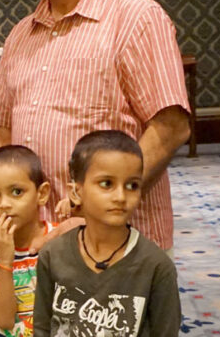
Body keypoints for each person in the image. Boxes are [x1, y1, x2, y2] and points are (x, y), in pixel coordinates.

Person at [0, 0, 191, 251]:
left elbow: (171, 128)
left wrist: (94, 214)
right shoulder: (19, 36)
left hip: (116, 242)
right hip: (39, 244)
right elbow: (4, 135)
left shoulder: (136, 17)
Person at [34, 131, 181, 336]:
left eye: (132, 185)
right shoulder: (52, 255)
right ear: (76, 192)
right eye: (107, 184)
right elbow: (42, 327)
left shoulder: (156, 267)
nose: (121, 196)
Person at [0, 146, 54, 336]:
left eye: (17, 192)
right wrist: (5, 260)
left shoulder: (60, 240)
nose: (4, 204)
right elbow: (4, 320)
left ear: (41, 194)